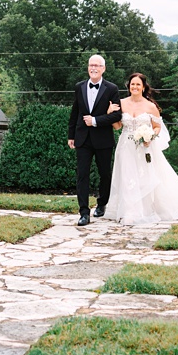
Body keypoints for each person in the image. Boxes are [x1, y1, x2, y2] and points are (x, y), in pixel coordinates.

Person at [102, 72, 178, 224]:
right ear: (128, 86)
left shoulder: (150, 106)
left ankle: (147, 209)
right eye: (132, 84)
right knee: (127, 177)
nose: (135, 87)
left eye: (138, 84)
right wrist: (109, 114)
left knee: (146, 177)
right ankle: (129, 211)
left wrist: (150, 137)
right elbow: (118, 126)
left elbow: (157, 127)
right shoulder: (121, 103)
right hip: (126, 146)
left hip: (144, 148)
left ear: (143, 87)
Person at [67, 54, 123, 226]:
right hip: (82, 138)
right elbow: (75, 111)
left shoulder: (111, 88)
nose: (94, 68)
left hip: (103, 139)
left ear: (103, 68)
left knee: (105, 174)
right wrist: (71, 135)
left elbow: (117, 115)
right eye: (91, 65)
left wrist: (96, 120)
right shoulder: (79, 87)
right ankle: (84, 213)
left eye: (97, 65)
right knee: (82, 175)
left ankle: (102, 203)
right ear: (88, 67)